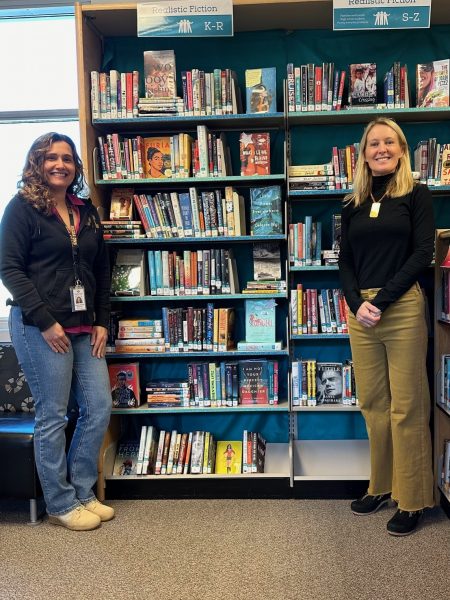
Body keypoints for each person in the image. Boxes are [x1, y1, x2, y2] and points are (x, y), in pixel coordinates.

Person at [0, 132, 114, 531]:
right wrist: (46, 321)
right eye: (51, 158)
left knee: (98, 408)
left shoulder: (86, 209)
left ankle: (83, 492)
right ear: (37, 163)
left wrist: (102, 319)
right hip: (39, 327)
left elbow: (102, 269)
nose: (60, 165)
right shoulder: (22, 209)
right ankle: (61, 503)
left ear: (76, 166)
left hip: (84, 328)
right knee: (53, 415)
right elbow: (10, 270)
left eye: (67, 158)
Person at [339, 117, 435, 536]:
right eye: (372, 143)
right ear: (363, 153)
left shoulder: (416, 194)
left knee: (407, 405)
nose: (380, 148)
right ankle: (381, 485)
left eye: (388, 142)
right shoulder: (352, 202)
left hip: (400, 308)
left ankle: (412, 498)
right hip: (361, 314)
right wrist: (357, 304)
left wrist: (381, 301)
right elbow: (344, 261)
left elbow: (423, 252)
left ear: (401, 149)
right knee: (373, 404)